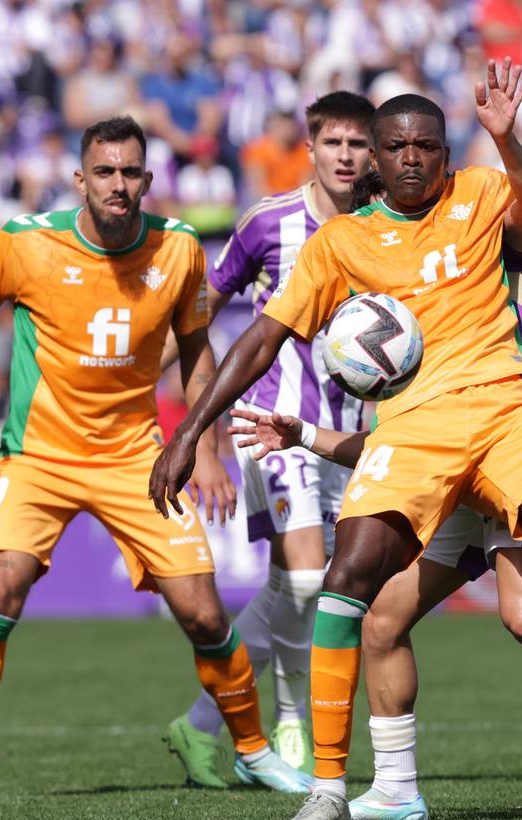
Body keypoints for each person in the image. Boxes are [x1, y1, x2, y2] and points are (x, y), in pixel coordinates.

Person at [151, 60, 522, 820]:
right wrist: (194, 428)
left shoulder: (484, 192)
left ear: (447, 152)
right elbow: (261, 338)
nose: (413, 157)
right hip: (417, 434)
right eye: (397, 146)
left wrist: (510, 148)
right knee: (360, 592)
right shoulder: (342, 245)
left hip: (503, 411)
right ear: (377, 160)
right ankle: (357, 785)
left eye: (428, 143)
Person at [0, 116, 312, 803]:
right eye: (105, 172)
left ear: (147, 180)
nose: (118, 185)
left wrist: (205, 447)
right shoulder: (24, 243)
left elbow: (198, 348)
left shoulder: (179, 250)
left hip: (135, 458)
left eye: (130, 173)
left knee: (206, 615)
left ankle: (253, 752)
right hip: (39, 457)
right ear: (81, 180)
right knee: (0, 585)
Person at [225, 215, 522, 820]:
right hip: (452, 465)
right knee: (383, 620)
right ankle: (395, 788)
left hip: (516, 449)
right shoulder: (407, 335)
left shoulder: (479, 278)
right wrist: (306, 434)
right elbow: (400, 448)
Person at [164, 92, 376, 782]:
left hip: (350, 437)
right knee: (312, 578)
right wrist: (186, 416)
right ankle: (286, 724)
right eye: (334, 143)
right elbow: (202, 313)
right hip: (270, 425)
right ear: (309, 149)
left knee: (309, 586)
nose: (346, 156)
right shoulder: (268, 223)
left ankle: (202, 725)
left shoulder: (387, 227)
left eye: (358, 145)